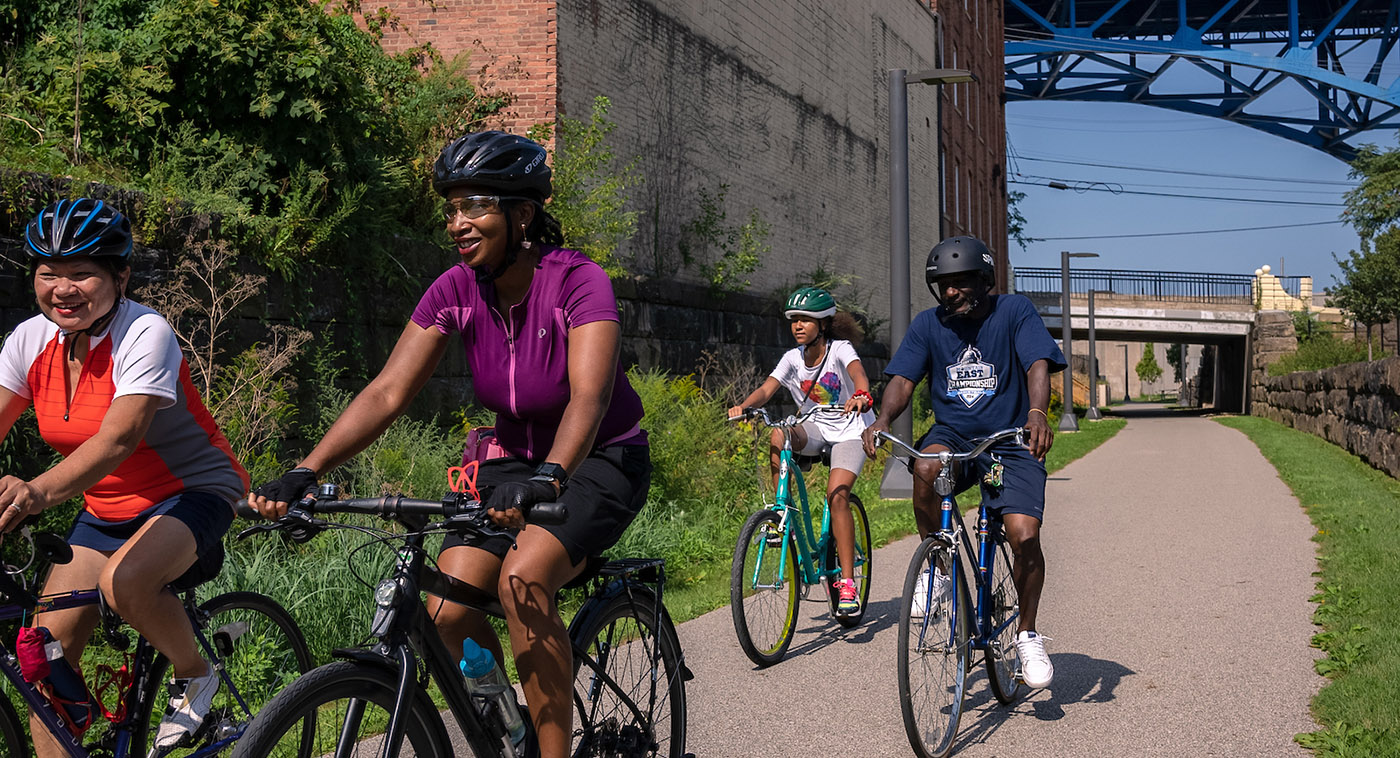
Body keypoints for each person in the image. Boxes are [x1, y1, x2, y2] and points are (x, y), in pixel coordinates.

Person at [247, 131, 650, 758]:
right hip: (512, 464)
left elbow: (589, 399)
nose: (457, 223)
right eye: (452, 208)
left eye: (475, 206)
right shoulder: (456, 289)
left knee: (523, 579)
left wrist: (549, 476)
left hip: (599, 457)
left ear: (522, 214)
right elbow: (387, 392)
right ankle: (514, 733)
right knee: (446, 613)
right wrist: (307, 469)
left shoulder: (578, 281)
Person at [0, 198, 250, 753]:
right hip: (107, 507)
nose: (62, 289)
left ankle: (196, 674)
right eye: (49, 273)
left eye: (81, 273)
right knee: (42, 663)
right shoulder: (29, 340)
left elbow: (118, 439)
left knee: (125, 583)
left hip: (192, 490)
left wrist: (36, 491)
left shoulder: (145, 332)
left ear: (121, 277)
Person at [861, 235, 1065, 689]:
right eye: (944, 285)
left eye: (961, 282)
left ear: (985, 280)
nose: (950, 292)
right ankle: (936, 567)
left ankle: (1027, 634)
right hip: (953, 437)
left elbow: (1036, 363)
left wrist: (1036, 413)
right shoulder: (928, 324)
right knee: (926, 467)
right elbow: (903, 380)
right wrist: (883, 419)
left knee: (1023, 535)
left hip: (1009, 441)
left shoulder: (1014, 311)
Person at [728, 286, 875, 615]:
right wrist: (745, 407)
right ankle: (783, 515)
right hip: (816, 429)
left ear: (822, 324)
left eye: (805, 320)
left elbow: (858, 373)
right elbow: (767, 389)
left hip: (852, 430)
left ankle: (847, 584)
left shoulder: (840, 349)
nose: (797, 325)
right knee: (779, 433)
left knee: (837, 495)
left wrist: (861, 394)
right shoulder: (792, 358)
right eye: (794, 319)